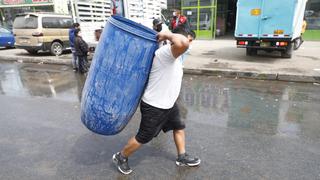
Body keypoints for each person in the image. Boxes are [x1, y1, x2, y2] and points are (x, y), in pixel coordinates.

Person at [112, 26, 200, 175]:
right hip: (155, 105)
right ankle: (121, 157)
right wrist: (168, 34)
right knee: (144, 137)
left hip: (169, 104)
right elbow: (183, 43)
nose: (189, 45)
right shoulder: (166, 53)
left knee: (179, 127)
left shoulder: (174, 55)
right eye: (189, 40)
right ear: (177, 37)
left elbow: (182, 44)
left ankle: (182, 156)